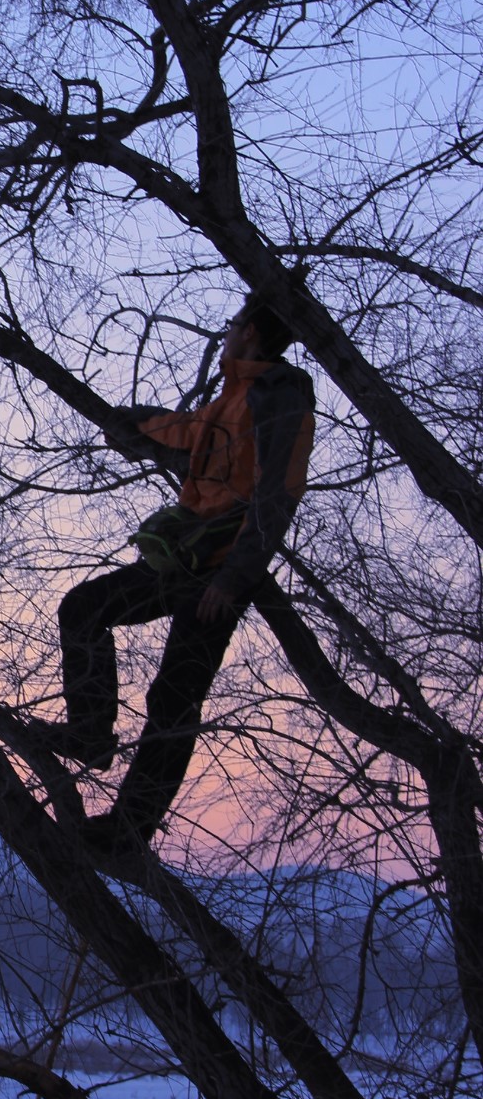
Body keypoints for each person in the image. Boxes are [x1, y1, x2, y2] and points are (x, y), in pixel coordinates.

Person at [52, 294, 315, 850]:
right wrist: (127, 422)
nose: (227, 330)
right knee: (83, 608)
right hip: (187, 557)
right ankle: (91, 733)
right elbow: (189, 430)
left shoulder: (278, 398)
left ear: (251, 335)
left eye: (234, 322)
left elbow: (278, 497)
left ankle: (130, 829)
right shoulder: (236, 393)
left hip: (220, 571)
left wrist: (233, 580)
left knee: (174, 698)